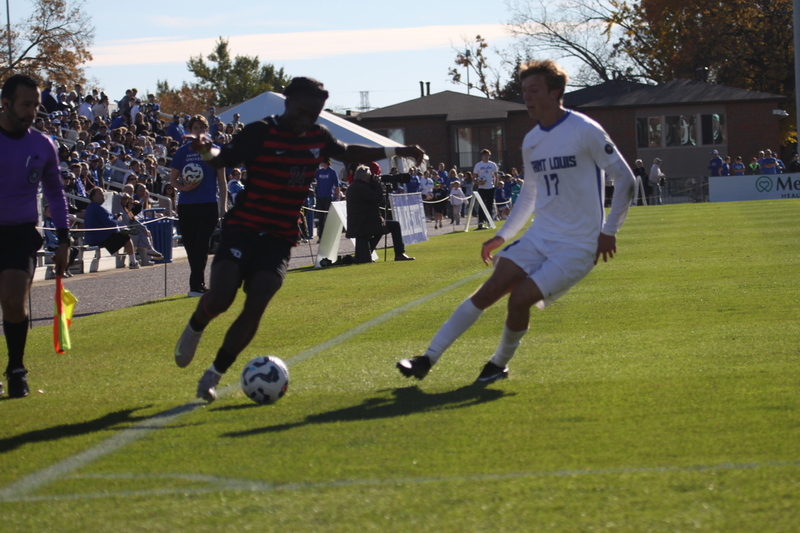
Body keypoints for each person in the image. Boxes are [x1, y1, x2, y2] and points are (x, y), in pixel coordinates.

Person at [173, 77, 425, 402]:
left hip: (278, 237)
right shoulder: (260, 131)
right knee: (221, 298)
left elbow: (348, 151)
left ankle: (213, 374)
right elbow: (223, 158)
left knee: (258, 300)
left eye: (315, 114)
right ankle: (196, 324)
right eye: (303, 111)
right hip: (244, 228)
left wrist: (398, 149)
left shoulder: (318, 137)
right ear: (287, 102)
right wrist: (207, 149)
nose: (307, 120)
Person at [396, 59, 635, 384]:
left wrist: (610, 231)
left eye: (534, 90)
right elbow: (530, 194)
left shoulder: (585, 130)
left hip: (579, 245)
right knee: (489, 289)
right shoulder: (531, 140)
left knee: (520, 298)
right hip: (541, 236)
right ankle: (427, 359)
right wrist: (502, 235)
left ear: (555, 92)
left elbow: (626, 180)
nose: (527, 97)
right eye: (524, 91)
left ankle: (497, 364)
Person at [0, 75, 71, 398]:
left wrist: (64, 239)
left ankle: (16, 368)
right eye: (25, 104)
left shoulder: (43, 145)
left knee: (14, 300)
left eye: (35, 105)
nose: (31, 112)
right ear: (5, 103)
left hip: (21, 232)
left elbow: (55, 194)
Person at [169, 115, 227, 297]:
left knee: (202, 246)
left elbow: (222, 183)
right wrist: (183, 187)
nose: (198, 130)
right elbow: (172, 180)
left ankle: (196, 286)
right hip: (186, 205)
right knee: (191, 246)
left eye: (202, 127)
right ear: (190, 130)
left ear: (207, 130)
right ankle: (197, 284)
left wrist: (223, 207)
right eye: (195, 127)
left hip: (208, 204)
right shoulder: (182, 152)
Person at [346, 165, 416, 262]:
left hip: (361, 223)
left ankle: (367, 254)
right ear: (364, 177)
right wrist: (376, 184)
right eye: (370, 175)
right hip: (365, 223)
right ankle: (399, 253)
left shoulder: (354, 186)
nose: (372, 177)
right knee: (394, 225)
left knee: (380, 228)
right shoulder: (362, 188)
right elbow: (377, 198)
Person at [83, 187, 140, 268]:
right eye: (100, 194)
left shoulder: (91, 207)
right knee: (126, 237)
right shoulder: (97, 208)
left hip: (95, 236)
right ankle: (133, 262)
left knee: (123, 234)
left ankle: (125, 231)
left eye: (103, 194)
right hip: (99, 238)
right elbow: (111, 224)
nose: (103, 196)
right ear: (93, 197)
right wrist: (116, 218)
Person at [312, 158, 340, 240]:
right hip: (320, 197)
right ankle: (321, 237)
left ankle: (329, 236)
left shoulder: (332, 172)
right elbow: (315, 181)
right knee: (320, 218)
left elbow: (337, 185)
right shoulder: (319, 172)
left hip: (328, 197)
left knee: (328, 218)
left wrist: (337, 197)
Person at [473, 149, 498, 229]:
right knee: (481, 205)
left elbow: (496, 176)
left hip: (490, 187)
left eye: (488, 155)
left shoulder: (492, 164)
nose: (486, 156)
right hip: (482, 188)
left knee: (490, 205)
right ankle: (480, 222)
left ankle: (490, 222)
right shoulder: (478, 165)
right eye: (485, 155)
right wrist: (478, 183)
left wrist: (495, 185)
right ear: (482, 156)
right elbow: (474, 177)